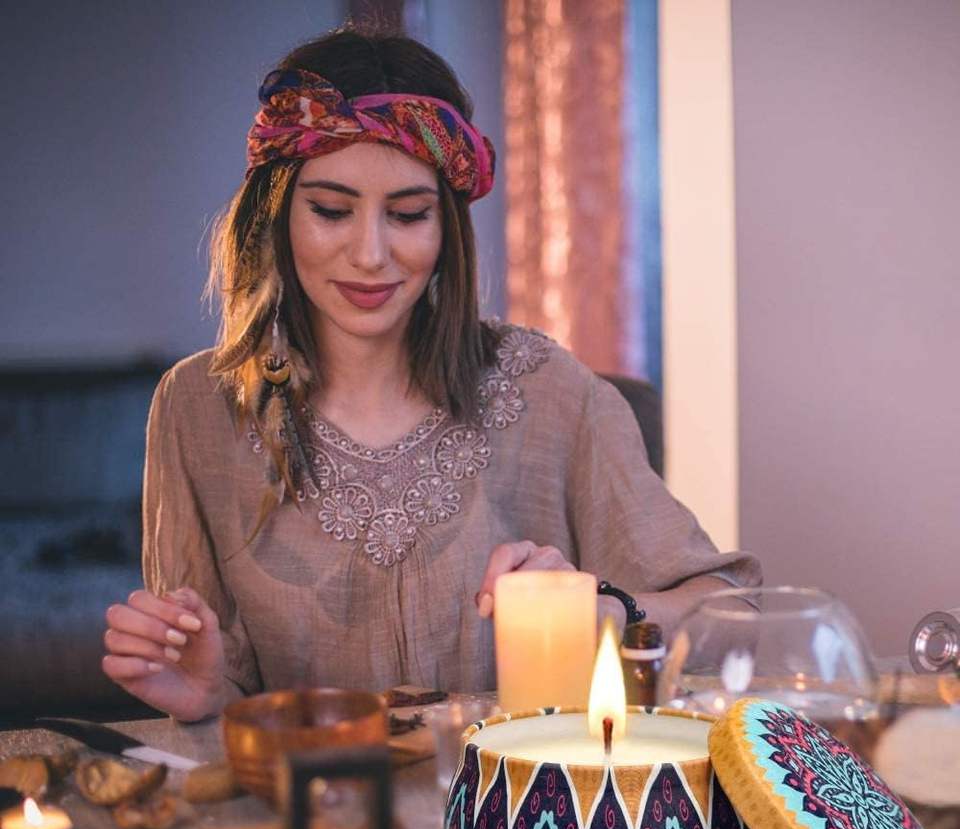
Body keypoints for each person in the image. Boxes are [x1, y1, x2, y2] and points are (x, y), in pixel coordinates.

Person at [102, 27, 761, 723]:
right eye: (331, 210)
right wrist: (207, 694)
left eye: (409, 215)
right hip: (305, 793)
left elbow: (735, 618)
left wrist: (608, 610)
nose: (370, 253)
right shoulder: (197, 410)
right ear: (277, 214)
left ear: (447, 228)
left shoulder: (549, 392)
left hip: (515, 792)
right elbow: (222, 689)